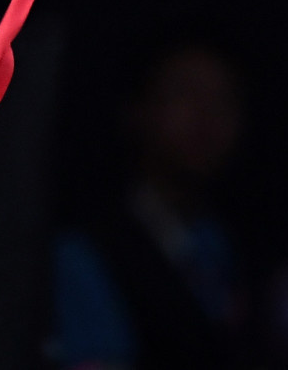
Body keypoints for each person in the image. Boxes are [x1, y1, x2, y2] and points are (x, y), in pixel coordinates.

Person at [51, 39, 250, 370]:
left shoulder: (221, 243)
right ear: (137, 110)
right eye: (185, 92)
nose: (206, 114)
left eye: (224, 98)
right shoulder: (84, 251)